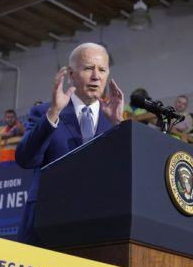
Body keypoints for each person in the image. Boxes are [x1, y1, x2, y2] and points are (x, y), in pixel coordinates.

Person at [16, 42, 124, 244]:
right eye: (88, 68)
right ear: (72, 75)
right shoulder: (45, 112)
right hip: (47, 224)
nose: (96, 76)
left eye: (102, 70)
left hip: (96, 228)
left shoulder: (113, 121)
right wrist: (54, 113)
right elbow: (25, 159)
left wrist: (119, 124)